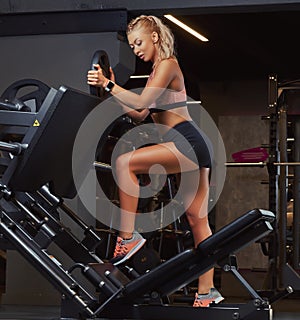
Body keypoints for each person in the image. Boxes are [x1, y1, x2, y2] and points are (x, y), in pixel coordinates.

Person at [87, 15, 224, 307]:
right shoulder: (153, 74)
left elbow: (140, 102)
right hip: (189, 143)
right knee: (197, 221)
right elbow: (139, 114)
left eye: (139, 42)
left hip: (186, 140)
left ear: (155, 38)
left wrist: (108, 85)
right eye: (132, 44)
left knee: (124, 163)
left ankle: (127, 238)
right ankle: (207, 291)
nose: (135, 49)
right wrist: (110, 86)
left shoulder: (167, 65)